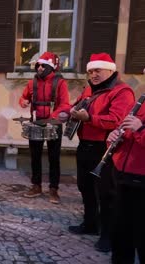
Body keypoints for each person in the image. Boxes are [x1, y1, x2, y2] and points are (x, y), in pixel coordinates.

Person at [67, 53, 135, 252]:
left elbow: (117, 120)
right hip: (85, 145)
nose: (93, 74)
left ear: (110, 70)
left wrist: (89, 118)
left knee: (107, 194)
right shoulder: (89, 90)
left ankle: (108, 235)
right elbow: (77, 105)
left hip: (106, 149)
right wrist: (69, 112)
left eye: (98, 70)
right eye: (90, 71)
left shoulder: (122, 92)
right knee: (85, 187)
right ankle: (90, 224)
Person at [19, 51, 71, 204]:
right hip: (36, 121)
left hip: (53, 123)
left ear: (51, 67)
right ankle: (36, 186)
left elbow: (65, 105)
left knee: (54, 157)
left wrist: (53, 117)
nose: (39, 68)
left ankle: (53, 189)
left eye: (43, 65)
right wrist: (23, 102)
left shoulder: (60, 83)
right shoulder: (32, 83)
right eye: (38, 65)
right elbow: (23, 97)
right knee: (35, 156)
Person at [108, 96, 145, 263]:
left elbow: (138, 130)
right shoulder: (141, 101)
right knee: (121, 232)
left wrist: (140, 129)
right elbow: (124, 129)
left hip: (142, 178)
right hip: (123, 173)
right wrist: (115, 136)